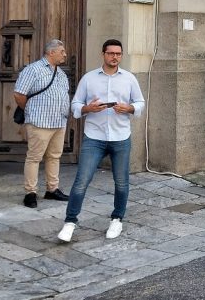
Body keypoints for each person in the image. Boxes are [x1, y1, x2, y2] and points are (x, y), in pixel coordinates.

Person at [58, 39, 146, 242]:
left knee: (121, 182)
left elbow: (140, 102)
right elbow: (75, 104)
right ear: (103, 54)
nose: (115, 57)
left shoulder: (129, 78)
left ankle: (117, 219)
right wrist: (88, 108)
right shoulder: (89, 78)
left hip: (121, 137)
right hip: (94, 137)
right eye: (111, 53)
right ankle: (70, 222)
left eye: (118, 54)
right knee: (81, 181)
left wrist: (130, 108)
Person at [13, 39, 71, 208]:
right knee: (34, 157)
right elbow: (19, 94)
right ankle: (30, 193)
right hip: (40, 122)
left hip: (59, 122)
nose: (65, 54)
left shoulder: (61, 73)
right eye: (62, 51)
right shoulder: (33, 69)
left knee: (54, 156)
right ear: (51, 52)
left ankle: (52, 189)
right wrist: (30, 110)